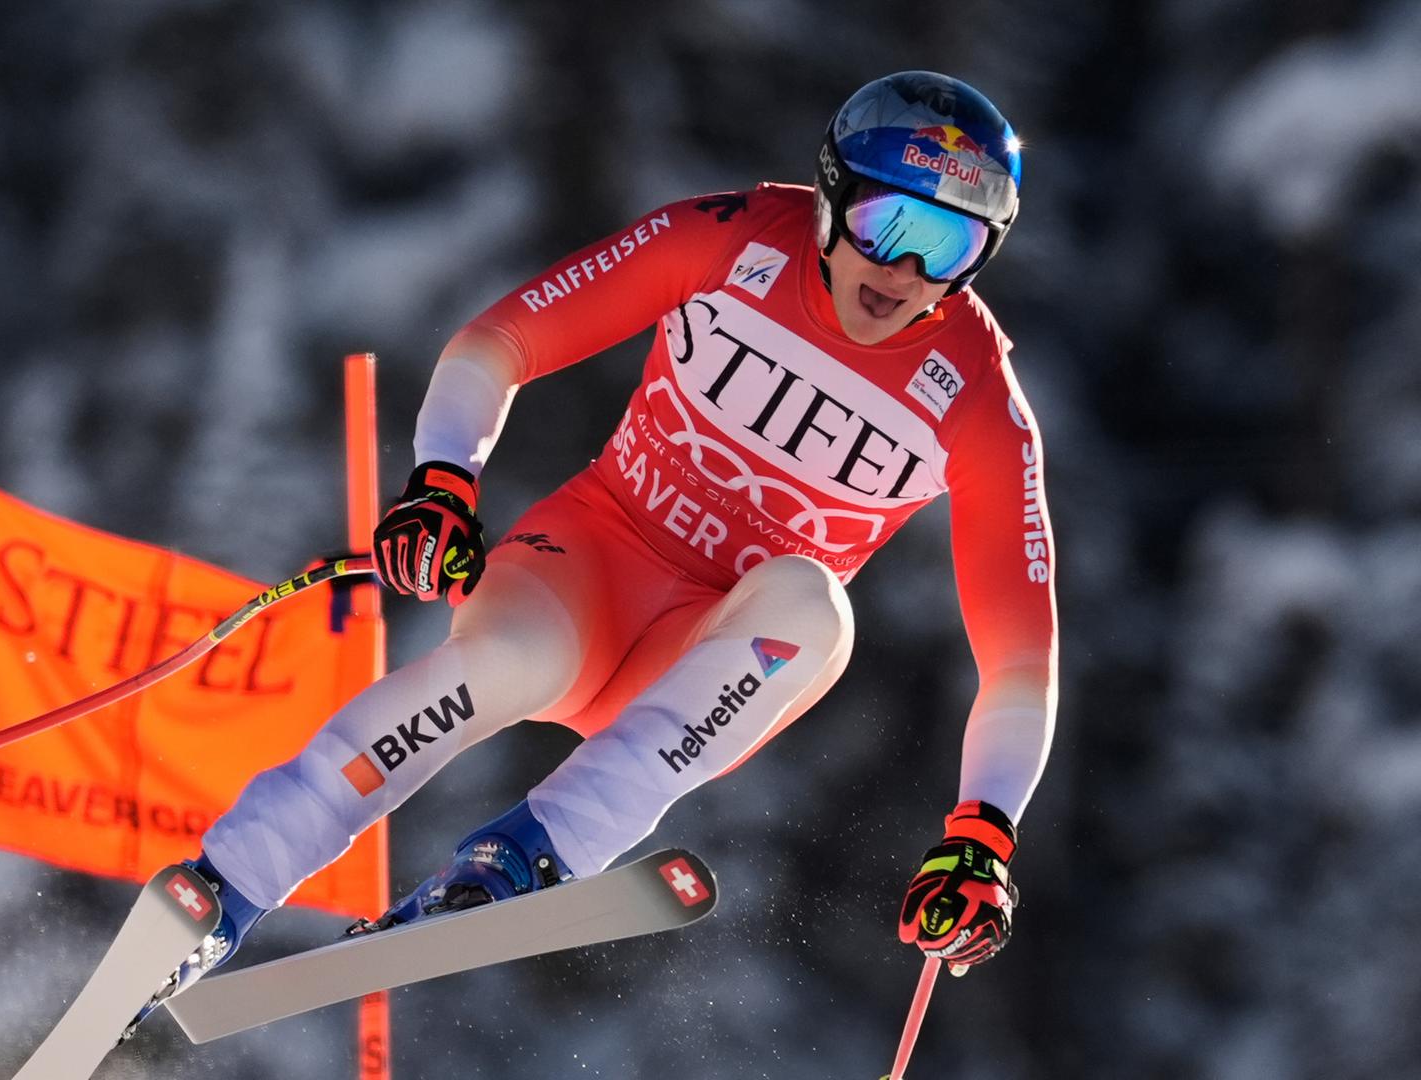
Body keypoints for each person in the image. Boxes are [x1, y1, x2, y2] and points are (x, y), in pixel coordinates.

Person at [141, 70, 1056, 1017]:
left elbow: (1023, 664)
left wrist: (981, 835)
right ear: (831, 197)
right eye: (885, 226)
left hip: (709, 658)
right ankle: (224, 891)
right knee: (503, 664)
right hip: (590, 565)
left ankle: (521, 860)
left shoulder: (979, 399)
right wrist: (442, 482)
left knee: (815, 606)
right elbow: (497, 345)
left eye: (946, 245)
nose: (903, 272)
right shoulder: (732, 237)